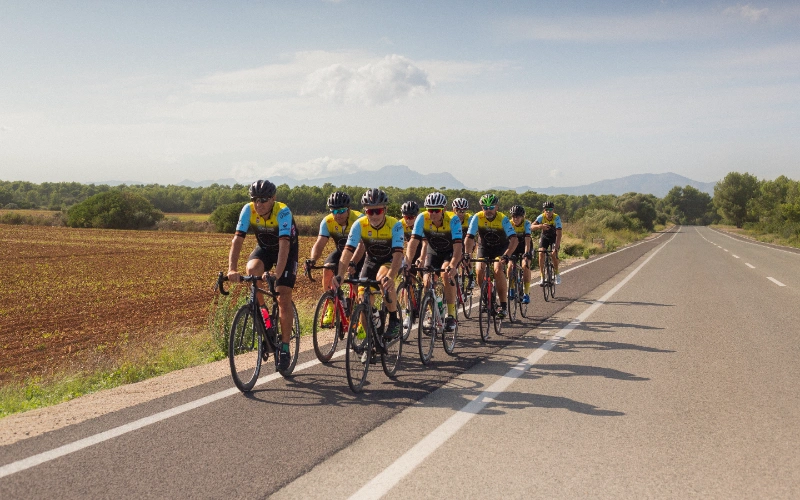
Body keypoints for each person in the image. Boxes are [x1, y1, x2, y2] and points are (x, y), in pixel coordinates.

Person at [227, 180, 298, 371]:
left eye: (264, 200)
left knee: (283, 295)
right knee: (252, 270)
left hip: (287, 251)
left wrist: (277, 273)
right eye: (256, 199)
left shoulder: (282, 212)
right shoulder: (248, 210)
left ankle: (284, 348)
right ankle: (265, 316)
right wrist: (232, 269)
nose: (259, 204)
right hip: (265, 249)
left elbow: (284, 246)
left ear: (273, 199)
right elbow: (237, 240)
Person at [331, 188, 404, 339]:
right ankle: (370, 341)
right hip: (371, 260)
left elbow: (398, 254)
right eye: (370, 212)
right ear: (365, 212)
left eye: (378, 211)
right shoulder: (359, 225)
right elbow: (347, 251)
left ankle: (394, 319)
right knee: (363, 299)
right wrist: (339, 274)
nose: (375, 215)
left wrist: (391, 276)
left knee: (383, 278)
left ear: (385, 210)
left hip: (389, 260)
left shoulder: (395, 225)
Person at [405, 192, 463, 333]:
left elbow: (458, 246)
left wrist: (453, 264)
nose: (433, 214)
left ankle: (451, 315)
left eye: (436, 210)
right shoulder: (422, 218)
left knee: (446, 274)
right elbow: (413, 242)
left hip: (450, 252)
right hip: (434, 251)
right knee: (426, 281)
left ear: (443, 209)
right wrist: (407, 261)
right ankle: (435, 311)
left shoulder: (453, 219)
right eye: (430, 210)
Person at [306, 191, 365, 326]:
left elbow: (362, 245)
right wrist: (312, 259)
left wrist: (353, 262)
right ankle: (332, 302)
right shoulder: (327, 221)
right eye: (334, 211)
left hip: (359, 253)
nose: (338, 214)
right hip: (340, 251)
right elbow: (320, 243)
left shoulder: (359, 219)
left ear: (349, 209)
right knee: (327, 269)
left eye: (342, 210)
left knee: (356, 284)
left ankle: (362, 314)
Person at [464, 193, 517, 319]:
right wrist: (467, 254)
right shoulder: (478, 217)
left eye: (491, 207)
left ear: (497, 207)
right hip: (484, 248)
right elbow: (469, 237)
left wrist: (507, 255)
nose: (488, 210)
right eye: (485, 207)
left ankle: (503, 305)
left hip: (500, 249)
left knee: (498, 270)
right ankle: (485, 299)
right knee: (479, 270)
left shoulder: (502, 219)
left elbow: (514, 239)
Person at [531, 200, 563, 285]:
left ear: (553, 210)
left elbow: (559, 233)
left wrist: (556, 247)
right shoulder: (541, 217)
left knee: (553, 254)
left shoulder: (556, 218)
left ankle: (557, 274)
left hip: (554, 237)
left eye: (550, 209)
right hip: (544, 237)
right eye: (546, 209)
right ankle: (542, 276)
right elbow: (531, 227)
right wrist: (540, 226)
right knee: (541, 253)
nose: (548, 211)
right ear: (544, 210)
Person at [507, 205, 533, 304]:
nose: (515, 218)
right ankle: (512, 289)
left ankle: (526, 293)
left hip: (525, 246)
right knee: (510, 266)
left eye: (518, 216)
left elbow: (527, 241)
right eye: (513, 216)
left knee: (525, 266)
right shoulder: (509, 224)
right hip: (513, 246)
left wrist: (526, 254)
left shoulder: (527, 224)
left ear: (522, 217)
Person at [451, 197, 475, 288]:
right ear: (453, 210)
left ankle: (471, 276)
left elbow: (472, 235)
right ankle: (457, 275)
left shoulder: (470, 219)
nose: (460, 213)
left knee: (466, 256)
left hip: (467, 241)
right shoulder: (450, 218)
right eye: (457, 210)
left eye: (463, 211)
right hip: (455, 241)